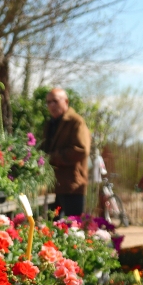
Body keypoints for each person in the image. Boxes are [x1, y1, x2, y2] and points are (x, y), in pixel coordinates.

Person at [41, 88, 92, 216]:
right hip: (53, 185)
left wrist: (51, 158)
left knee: (73, 228)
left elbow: (81, 150)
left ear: (66, 101)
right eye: (48, 102)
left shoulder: (75, 121)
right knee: (52, 229)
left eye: (55, 101)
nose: (51, 105)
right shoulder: (50, 124)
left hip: (72, 186)